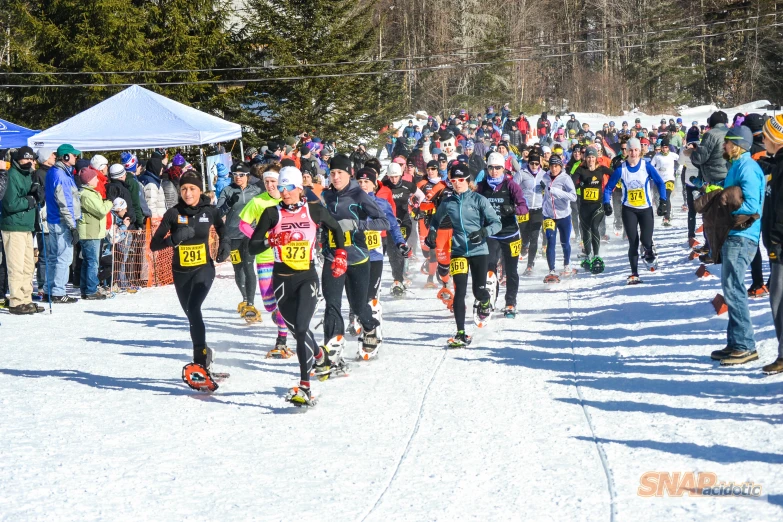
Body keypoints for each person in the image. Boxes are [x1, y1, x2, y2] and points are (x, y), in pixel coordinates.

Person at [248, 167, 347, 406]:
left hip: (306, 277)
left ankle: (305, 386)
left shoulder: (313, 210)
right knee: (295, 330)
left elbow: (336, 228)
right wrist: (271, 240)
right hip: (281, 280)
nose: (283, 192)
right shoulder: (272, 214)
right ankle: (321, 355)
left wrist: (341, 254)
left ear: (299, 188)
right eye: (280, 188)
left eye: (288, 187)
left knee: (302, 329)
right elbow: (252, 247)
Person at [150, 170, 231, 392]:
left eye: (192, 189)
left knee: (194, 309)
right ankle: (206, 353)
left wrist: (225, 245)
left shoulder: (210, 211)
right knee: (191, 315)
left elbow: (224, 230)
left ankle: (199, 363)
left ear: (199, 190)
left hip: (204, 269)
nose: (188, 193)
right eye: (184, 189)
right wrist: (174, 239)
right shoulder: (173, 214)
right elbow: (154, 245)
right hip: (181, 272)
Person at [707, 126, 765, 366]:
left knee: (734, 288)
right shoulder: (736, 166)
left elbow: (751, 204)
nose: (724, 146)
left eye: (727, 142)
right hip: (734, 235)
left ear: (738, 144)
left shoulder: (747, 167)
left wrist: (723, 210)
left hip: (743, 236)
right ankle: (735, 342)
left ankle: (745, 346)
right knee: (730, 287)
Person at [427, 162, 501, 347]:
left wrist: (484, 232)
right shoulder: (448, 202)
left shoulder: (478, 200)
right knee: (459, 292)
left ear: (468, 180)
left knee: (478, 291)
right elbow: (435, 220)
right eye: (453, 180)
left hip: (479, 251)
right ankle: (461, 333)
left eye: (461, 180)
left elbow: (496, 223)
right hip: (459, 251)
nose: (457, 183)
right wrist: (432, 232)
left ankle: (485, 301)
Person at [321, 154, 389, 356]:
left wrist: (357, 225)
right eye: (332, 173)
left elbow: (383, 222)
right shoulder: (327, 195)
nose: (335, 177)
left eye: (339, 173)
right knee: (332, 303)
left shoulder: (359, 195)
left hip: (357, 257)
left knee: (358, 307)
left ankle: (370, 327)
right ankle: (332, 346)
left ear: (348, 173)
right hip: (333, 256)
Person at [239, 164, 291, 356]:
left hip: (286, 257)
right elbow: (243, 224)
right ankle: (287, 321)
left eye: (273, 182)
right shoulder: (258, 202)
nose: (270, 185)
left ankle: (282, 338)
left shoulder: (289, 200)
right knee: (270, 303)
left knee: (283, 301)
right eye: (267, 182)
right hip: (265, 256)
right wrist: (260, 238)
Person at [603, 138, 668, 284]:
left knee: (645, 240)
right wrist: (606, 203)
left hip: (645, 209)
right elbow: (608, 188)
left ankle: (649, 248)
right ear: (626, 151)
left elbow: (660, 182)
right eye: (630, 150)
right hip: (629, 210)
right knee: (633, 241)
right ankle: (634, 273)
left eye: (636, 150)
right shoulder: (621, 169)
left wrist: (663, 201)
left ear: (640, 151)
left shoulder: (647, 166)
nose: (633, 153)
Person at [475, 152, 528, 317]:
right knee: (489, 269)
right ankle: (489, 301)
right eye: (491, 168)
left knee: (511, 270)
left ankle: (510, 303)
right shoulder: (482, 187)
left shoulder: (511, 186)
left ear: (503, 169)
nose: (494, 171)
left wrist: (513, 210)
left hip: (510, 234)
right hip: (491, 234)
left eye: (498, 168)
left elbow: (524, 207)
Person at [0, 147, 45, 314]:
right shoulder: (12, 175)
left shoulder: (28, 175)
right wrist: (30, 200)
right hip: (14, 226)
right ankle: (16, 301)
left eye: (31, 159)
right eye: (25, 159)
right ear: (18, 160)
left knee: (28, 266)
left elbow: (32, 195)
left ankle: (26, 298)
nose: (29, 162)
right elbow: (10, 204)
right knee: (16, 266)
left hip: (27, 225)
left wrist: (38, 194)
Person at [216, 164, 262, 321]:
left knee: (249, 266)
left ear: (248, 176)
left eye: (241, 174)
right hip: (232, 235)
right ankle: (244, 298)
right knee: (238, 269)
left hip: (250, 234)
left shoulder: (255, 191)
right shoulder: (227, 190)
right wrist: (228, 204)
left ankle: (251, 303)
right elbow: (218, 212)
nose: (238, 177)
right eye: (235, 174)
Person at [44, 144, 82, 303]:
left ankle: (49, 289)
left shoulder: (55, 172)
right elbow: (65, 203)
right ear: (65, 157)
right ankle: (58, 292)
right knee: (64, 258)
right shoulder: (61, 175)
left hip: (54, 221)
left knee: (54, 257)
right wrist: (73, 225)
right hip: (62, 222)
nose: (76, 158)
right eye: (73, 155)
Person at [760, 115, 783, 374]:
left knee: (778, 299)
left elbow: (780, 210)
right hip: (776, 242)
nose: (762, 140)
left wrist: (776, 239)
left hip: (781, 243)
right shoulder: (778, 163)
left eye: (766, 137)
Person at [382, 163, 425, 295]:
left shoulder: (408, 185)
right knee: (391, 251)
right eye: (391, 177)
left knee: (399, 249)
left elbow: (421, 196)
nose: (394, 180)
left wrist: (416, 207)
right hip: (389, 222)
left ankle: (398, 278)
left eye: (396, 177)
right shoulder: (384, 185)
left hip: (404, 222)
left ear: (400, 175)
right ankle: (399, 274)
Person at [76, 166, 113, 300]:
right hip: (90, 233)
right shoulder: (87, 194)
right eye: (95, 177)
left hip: (93, 231)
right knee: (92, 262)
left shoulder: (90, 192)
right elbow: (101, 210)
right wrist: (110, 201)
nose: (97, 179)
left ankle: (86, 288)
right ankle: (90, 289)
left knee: (88, 261)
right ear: (89, 180)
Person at [540, 155, 578, 283]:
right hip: (549, 215)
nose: (554, 168)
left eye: (556, 166)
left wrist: (556, 191)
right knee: (550, 240)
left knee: (564, 242)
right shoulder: (544, 177)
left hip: (563, 216)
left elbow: (573, 197)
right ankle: (551, 271)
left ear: (560, 166)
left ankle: (567, 264)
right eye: (551, 166)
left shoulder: (566, 178)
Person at [574, 148, 612, 271]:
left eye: (593, 157)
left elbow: (615, 174)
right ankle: (588, 255)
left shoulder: (601, 169)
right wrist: (578, 185)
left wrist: (610, 188)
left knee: (594, 227)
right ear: (585, 158)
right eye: (588, 157)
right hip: (584, 206)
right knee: (585, 230)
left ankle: (596, 255)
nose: (590, 160)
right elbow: (571, 181)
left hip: (598, 205)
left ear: (596, 158)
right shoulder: (581, 169)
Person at [516, 152, 546, 276]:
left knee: (534, 236)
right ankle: (524, 244)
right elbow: (513, 187)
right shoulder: (521, 173)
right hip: (524, 209)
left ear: (539, 164)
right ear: (528, 163)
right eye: (532, 163)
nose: (534, 166)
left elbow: (550, 189)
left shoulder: (544, 175)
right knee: (525, 234)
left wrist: (546, 187)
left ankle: (530, 265)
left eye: (536, 164)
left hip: (538, 209)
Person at [651, 141, 680, 226]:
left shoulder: (672, 155)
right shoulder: (657, 156)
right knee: (662, 198)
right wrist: (658, 169)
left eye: (666, 147)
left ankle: (667, 217)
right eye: (663, 147)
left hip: (670, 179)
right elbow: (651, 166)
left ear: (668, 148)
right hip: (660, 180)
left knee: (666, 196)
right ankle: (666, 210)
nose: (664, 149)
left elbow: (681, 160)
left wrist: (679, 169)